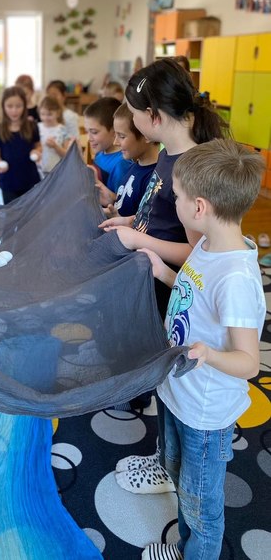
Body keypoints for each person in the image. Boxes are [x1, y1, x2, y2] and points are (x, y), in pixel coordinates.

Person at [100, 57, 228, 494]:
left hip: (170, 286)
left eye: (134, 115)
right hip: (154, 277)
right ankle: (164, 458)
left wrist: (140, 240)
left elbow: (198, 253)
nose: (131, 122)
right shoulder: (169, 154)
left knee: (173, 382)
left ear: (153, 117)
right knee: (164, 382)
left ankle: (168, 465)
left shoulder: (191, 166)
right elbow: (158, 211)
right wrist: (129, 221)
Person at [139, 139, 265, 560]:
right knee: (178, 473)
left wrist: (208, 355)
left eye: (175, 196)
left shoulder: (236, 278)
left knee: (200, 503)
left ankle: (197, 552)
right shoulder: (208, 246)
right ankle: (184, 545)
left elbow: (249, 363)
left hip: (205, 413)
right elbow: (194, 293)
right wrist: (163, 271)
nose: (171, 202)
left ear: (198, 207)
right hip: (179, 392)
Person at [101, 103, 159, 218]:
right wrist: (111, 199)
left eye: (122, 136)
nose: (115, 142)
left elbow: (144, 224)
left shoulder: (153, 179)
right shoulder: (134, 166)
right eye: (115, 135)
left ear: (146, 135)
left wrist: (117, 218)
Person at [0, 85, 41, 204]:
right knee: (12, 213)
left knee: (30, 213)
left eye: (18, 106)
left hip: (30, 179)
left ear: (25, 106)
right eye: (10, 106)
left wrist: (37, 152)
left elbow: (38, 146)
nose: (14, 111)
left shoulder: (32, 126)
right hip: (8, 182)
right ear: (3, 106)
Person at [84, 97, 133, 204]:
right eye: (87, 131)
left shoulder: (120, 164)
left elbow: (121, 202)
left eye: (94, 132)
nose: (89, 138)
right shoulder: (101, 152)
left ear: (114, 131)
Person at [37, 95, 69, 175]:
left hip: (57, 172)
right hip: (39, 171)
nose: (45, 118)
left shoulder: (62, 130)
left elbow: (67, 155)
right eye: (42, 114)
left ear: (57, 113)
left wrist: (55, 146)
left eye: (49, 114)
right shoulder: (36, 128)